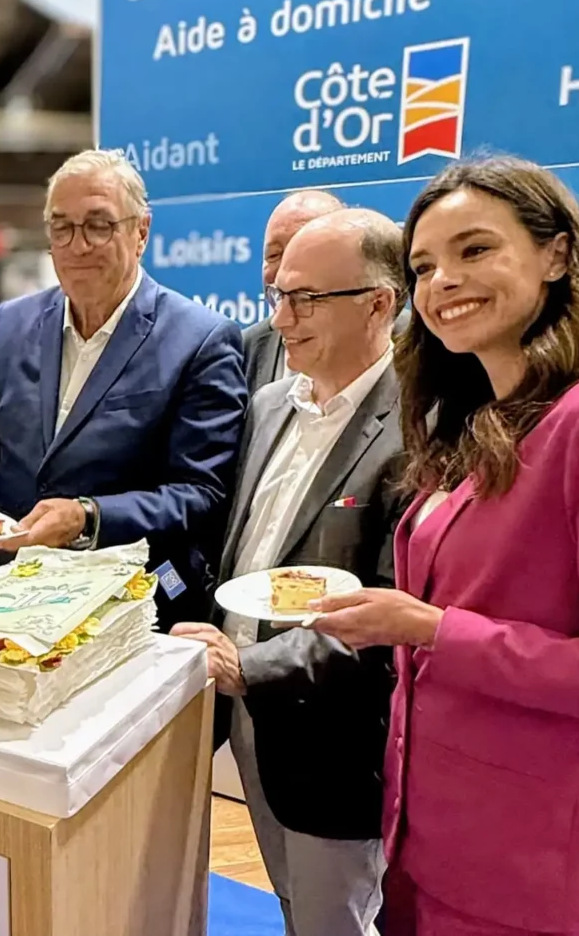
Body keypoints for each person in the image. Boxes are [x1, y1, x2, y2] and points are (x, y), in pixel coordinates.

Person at [313, 158, 579, 935]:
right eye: (425, 266)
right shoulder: (475, 423)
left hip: (530, 868)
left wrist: (430, 630)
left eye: (475, 250)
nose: (443, 282)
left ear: (556, 255)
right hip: (427, 840)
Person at [173, 208, 409, 936]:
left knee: (335, 921)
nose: (280, 318)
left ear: (379, 302)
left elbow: (392, 613)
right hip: (245, 715)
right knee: (290, 905)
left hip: (336, 741)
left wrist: (252, 666)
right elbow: (246, 549)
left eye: (305, 299)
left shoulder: (418, 427)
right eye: (277, 293)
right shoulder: (272, 403)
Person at [0, 148, 247, 628]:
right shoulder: (14, 323)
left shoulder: (200, 339)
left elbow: (201, 492)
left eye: (99, 225)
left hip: (125, 604)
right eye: (62, 227)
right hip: (8, 591)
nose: (78, 245)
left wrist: (89, 516)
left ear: (141, 231)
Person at [242, 191, 344, 394]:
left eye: (301, 250)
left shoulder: (403, 343)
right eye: (274, 255)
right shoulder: (246, 349)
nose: (283, 272)